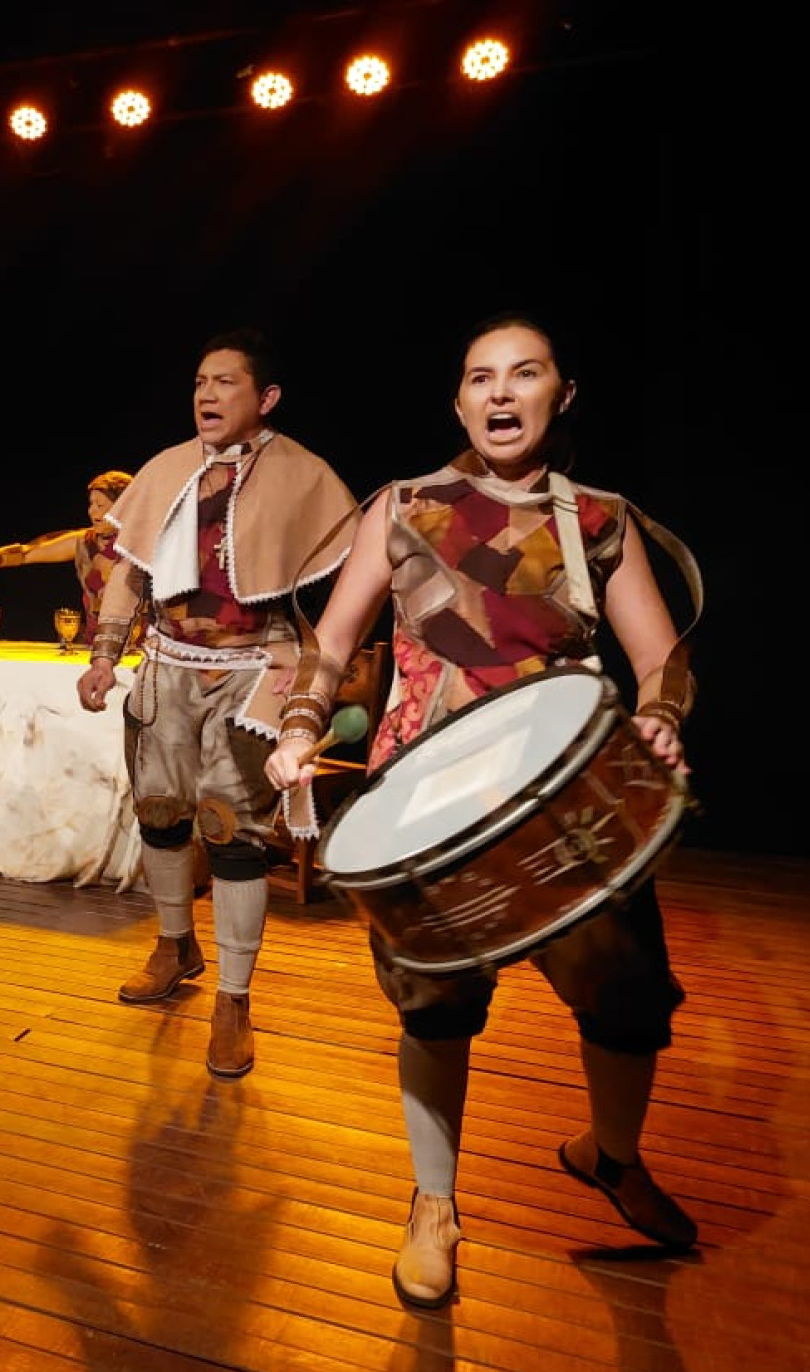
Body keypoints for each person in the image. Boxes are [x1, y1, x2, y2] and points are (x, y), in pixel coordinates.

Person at [264, 312, 701, 1308]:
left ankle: (612, 1154)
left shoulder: (600, 519)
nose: (502, 394)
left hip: (564, 800)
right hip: (429, 805)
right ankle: (434, 1205)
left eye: (526, 374)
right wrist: (299, 725)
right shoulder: (406, 506)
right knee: (436, 1001)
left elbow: (660, 656)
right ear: (458, 401)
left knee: (628, 994)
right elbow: (330, 647)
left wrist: (664, 714)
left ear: (562, 394)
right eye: (480, 378)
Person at [78, 328, 357, 1078]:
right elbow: (129, 571)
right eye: (200, 381)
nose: (206, 394)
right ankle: (175, 943)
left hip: (250, 670)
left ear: (265, 397)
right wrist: (105, 657)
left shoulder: (302, 476)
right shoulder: (166, 470)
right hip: (168, 665)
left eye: (225, 382)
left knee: (231, 834)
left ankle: (233, 998)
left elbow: (339, 597)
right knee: (160, 816)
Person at [0, 469, 133, 642]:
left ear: (123, 507)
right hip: (94, 645)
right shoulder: (84, 543)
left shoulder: (144, 546)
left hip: (138, 648)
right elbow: (27, 553)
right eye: (91, 504)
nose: (92, 511)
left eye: (100, 505)